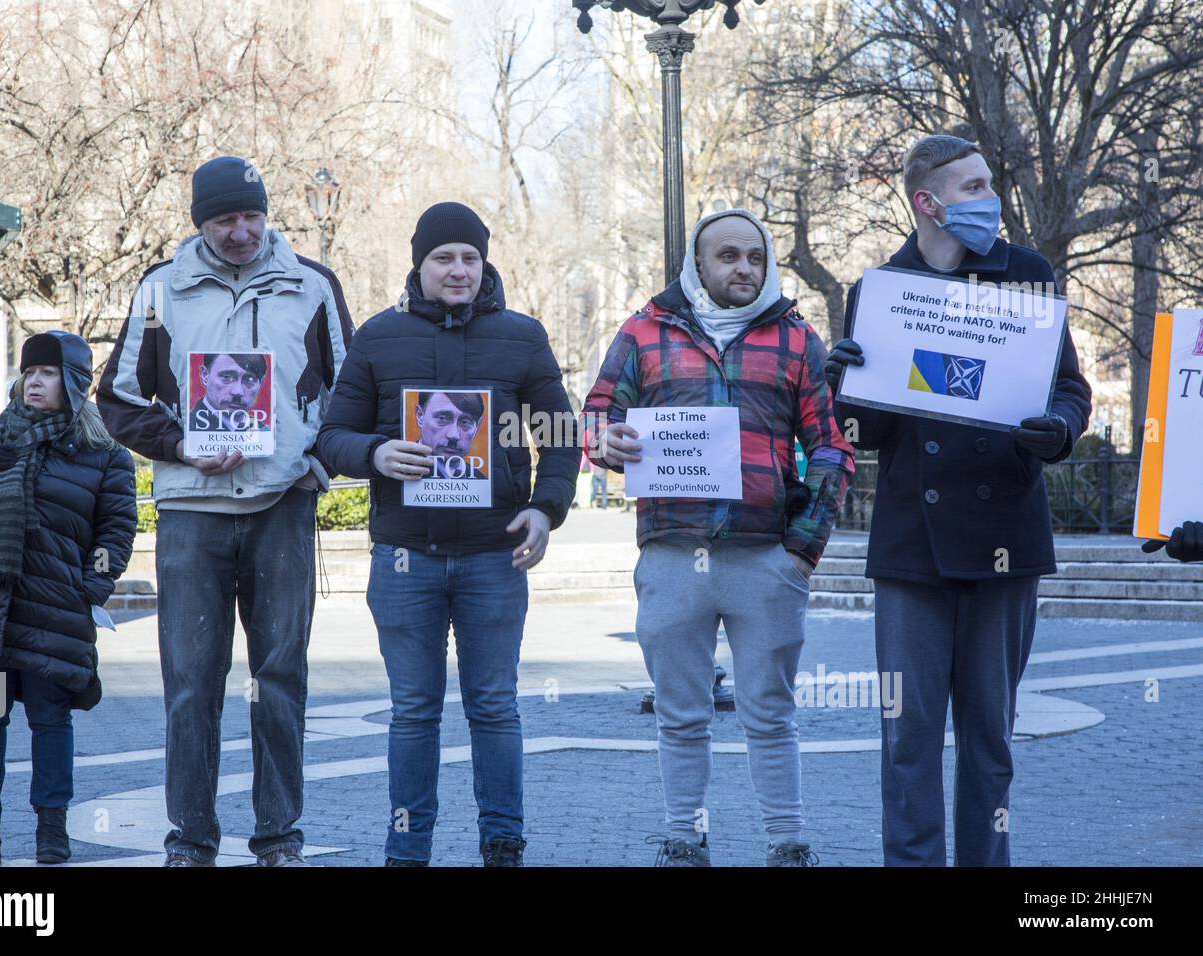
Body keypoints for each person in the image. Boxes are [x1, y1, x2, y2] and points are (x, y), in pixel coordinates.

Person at [825, 134, 1093, 866]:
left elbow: (1070, 389)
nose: (989, 199)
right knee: (906, 738)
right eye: (972, 187)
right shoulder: (880, 290)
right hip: (913, 549)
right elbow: (866, 431)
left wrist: (1058, 429)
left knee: (990, 737)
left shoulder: (1027, 275)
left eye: (987, 183)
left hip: (1005, 532)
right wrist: (841, 382)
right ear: (928, 202)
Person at [98, 155, 351, 867]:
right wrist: (181, 446)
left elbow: (352, 389)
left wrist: (318, 464)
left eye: (251, 216)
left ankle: (278, 837)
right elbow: (116, 401)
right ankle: (191, 840)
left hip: (281, 508)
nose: (241, 232)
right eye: (224, 220)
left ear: (266, 214)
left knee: (279, 681)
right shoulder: (160, 291)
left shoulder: (313, 286)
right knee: (189, 685)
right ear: (200, 223)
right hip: (191, 513)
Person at [582, 208, 855, 867]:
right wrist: (606, 442)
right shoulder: (645, 330)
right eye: (728, 256)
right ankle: (685, 841)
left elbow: (832, 446)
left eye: (755, 258)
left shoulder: (795, 338)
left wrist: (802, 550)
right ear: (697, 266)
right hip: (673, 555)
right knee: (681, 714)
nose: (743, 268)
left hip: (766, 558)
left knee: (770, 714)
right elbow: (595, 420)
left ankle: (788, 846)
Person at [316, 201, 578, 866]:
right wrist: (375, 453)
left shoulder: (523, 336)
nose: (458, 269)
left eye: (469, 257)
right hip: (406, 558)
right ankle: (407, 847)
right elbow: (332, 436)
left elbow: (561, 434)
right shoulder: (377, 337)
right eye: (443, 258)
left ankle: (503, 841)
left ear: (484, 263)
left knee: (494, 706)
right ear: (420, 264)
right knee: (413, 711)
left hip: (496, 554)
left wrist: (548, 509)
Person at [0, 331, 137, 867]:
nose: (34, 382)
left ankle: (51, 828)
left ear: (74, 384)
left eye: (47, 373)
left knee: (50, 720)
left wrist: (92, 587)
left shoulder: (104, 454)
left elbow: (115, 534)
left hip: (55, 609)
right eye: (30, 373)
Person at [413, 390, 485, 478]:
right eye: (442, 419)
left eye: (465, 422)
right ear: (420, 416)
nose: (453, 435)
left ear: (477, 426)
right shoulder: (399, 469)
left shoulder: (481, 480)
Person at [190, 352, 269, 432]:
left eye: (249, 380)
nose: (238, 392)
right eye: (226, 377)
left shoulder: (264, 432)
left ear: (260, 383)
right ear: (205, 375)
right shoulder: (188, 430)